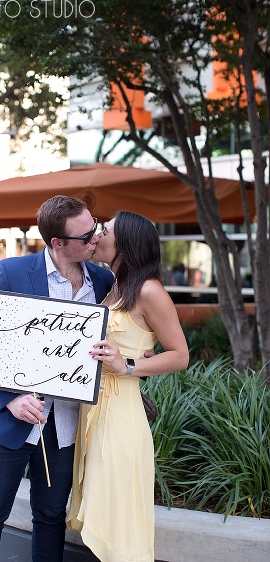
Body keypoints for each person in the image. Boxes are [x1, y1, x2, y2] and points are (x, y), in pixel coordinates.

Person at [0, 196, 114, 562]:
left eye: (96, 227)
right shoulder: (11, 272)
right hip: (10, 421)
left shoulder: (104, 279)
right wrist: (10, 397)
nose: (96, 238)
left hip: (66, 425)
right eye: (86, 235)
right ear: (57, 242)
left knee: (50, 517)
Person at [68, 212, 189, 562]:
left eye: (106, 230)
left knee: (119, 521)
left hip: (121, 417)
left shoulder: (150, 291)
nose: (98, 234)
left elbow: (180, 355)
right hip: (93, 411)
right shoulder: (115, 284)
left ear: (127, 243)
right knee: (103, 510)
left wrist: (130, 364)